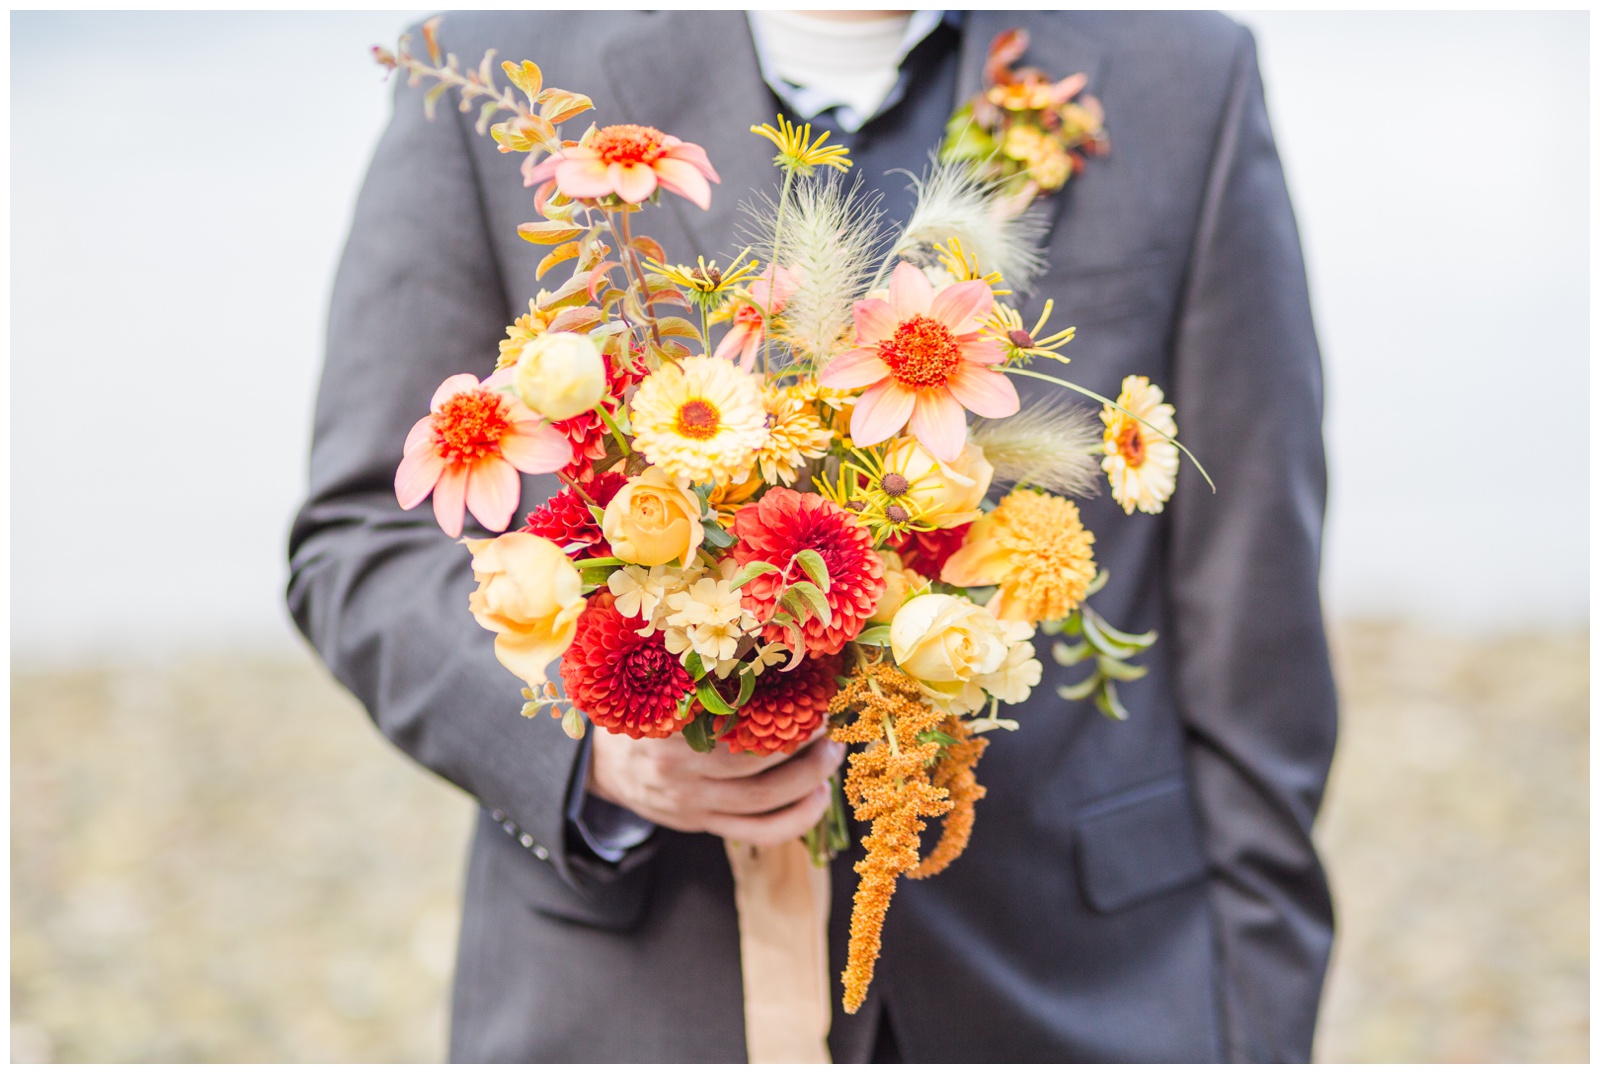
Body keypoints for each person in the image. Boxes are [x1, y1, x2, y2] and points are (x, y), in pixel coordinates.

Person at [288, 9, 1338, 1063]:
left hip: (1076, 993)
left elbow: (1255, 612)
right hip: (632, 995)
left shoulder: (1185, 78)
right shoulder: (493, 70)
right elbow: (356, 540)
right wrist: (597, 750)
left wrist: (1260, 1027)